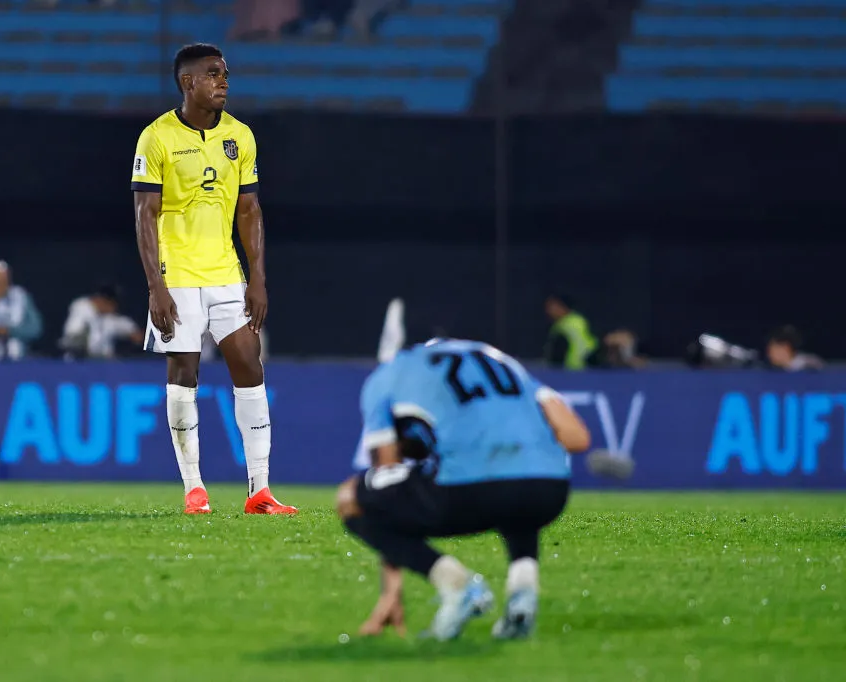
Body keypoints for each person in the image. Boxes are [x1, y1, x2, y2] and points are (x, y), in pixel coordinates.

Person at [130, 43, 296, 516]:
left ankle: (260, 491)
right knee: (184, 373)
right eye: (212, 73)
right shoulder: (156, 137)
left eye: (224, 73)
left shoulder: (240, 136)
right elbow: (146, 214)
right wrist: (154, 286)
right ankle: (194, 489)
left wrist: (257, 278)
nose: (223, 80)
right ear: (187, 82)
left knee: (249, 362)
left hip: (225, 272)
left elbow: (249, 209)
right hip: (176, 274)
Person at [336, 338, 591, 641]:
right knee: (514, 488)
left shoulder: (391, 373)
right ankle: (523, 594)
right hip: (548, 491)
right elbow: (576, 438)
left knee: (352, 498)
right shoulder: (500, 360)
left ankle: (457, 585)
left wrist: (391, 591)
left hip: (469, 493)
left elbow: (386, 479)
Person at [60, 283, 143, 360]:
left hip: (102, 366)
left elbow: (132, 331)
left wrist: (136, 335)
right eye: (113, 304)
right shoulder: (81, 307)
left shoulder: (110, 318)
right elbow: (72, 337)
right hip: (78, 363)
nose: (115, 307)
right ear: (102, 300)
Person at [544, 293, 597, 370]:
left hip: (573, 371)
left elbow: (556, 356)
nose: (548, 311)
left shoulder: (563, 326)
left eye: (551, 307)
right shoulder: (579, 320)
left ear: (562, 306)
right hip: (588, 369)